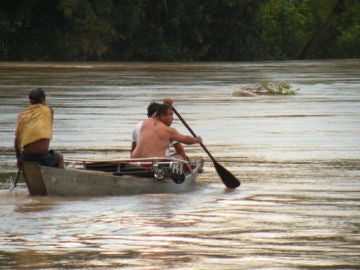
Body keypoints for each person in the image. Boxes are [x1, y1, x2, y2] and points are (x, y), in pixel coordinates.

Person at [14, 88, 64, 168]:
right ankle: (61, 179)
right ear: (42, 101)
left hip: (26, 157)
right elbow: (48, 130)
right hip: (42, 157)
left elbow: (17, 140)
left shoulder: (22, 115)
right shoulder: (48, 111)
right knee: (59, 157)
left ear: (30, 101)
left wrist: (18, 158)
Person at [131, 104, 202, 159]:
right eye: (170, 115)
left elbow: (133, 149)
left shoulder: (143, 124)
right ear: (162, 116)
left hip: (135, 163)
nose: (172, 118)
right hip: (153, 166)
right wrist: (196, 139)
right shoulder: (167, 130)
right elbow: (186, 140)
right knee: (180, 157)